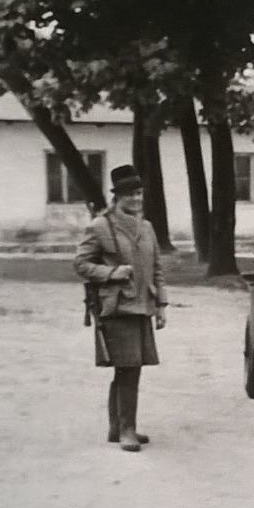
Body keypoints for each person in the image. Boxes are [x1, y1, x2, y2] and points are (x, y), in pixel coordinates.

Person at [74, 165, 167, 452]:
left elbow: (157, 269)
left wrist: (161, 304)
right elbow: (80, 264)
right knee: (127, 369)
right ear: (118, 197)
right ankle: (126, 429)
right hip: (117, 308)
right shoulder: (101, 226)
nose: (137, 199)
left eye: (140, 193)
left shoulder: (147, 227)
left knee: (131, 370)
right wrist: (111, 273)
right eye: (131, 195)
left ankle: (119, 427)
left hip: (142, 306)